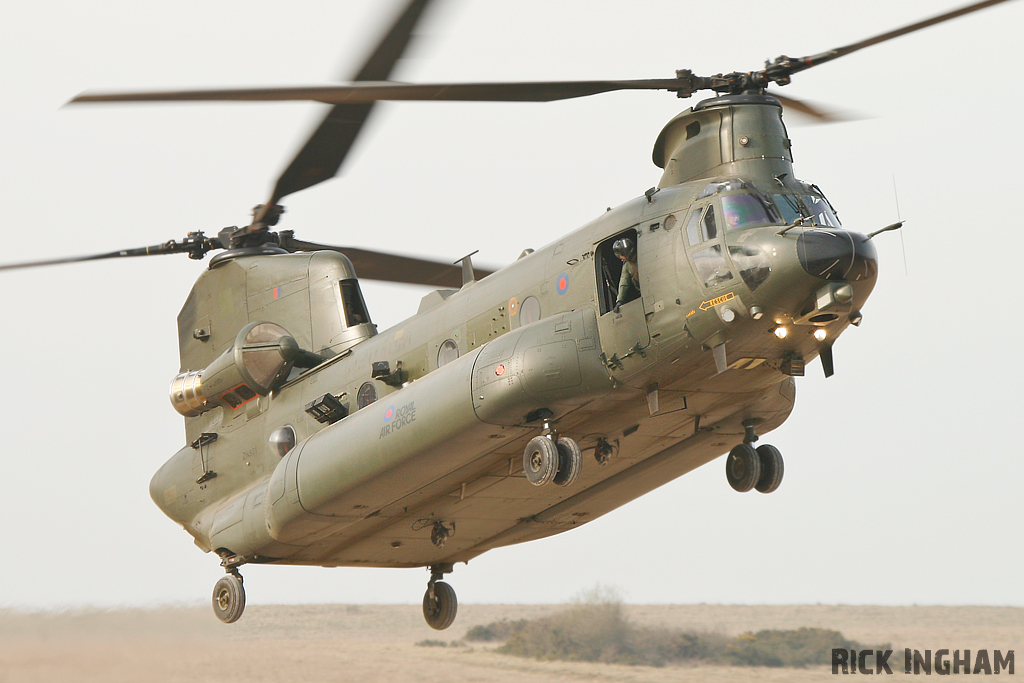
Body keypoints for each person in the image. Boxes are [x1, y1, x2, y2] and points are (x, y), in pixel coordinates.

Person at [613, 237, 639, 311]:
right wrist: (619, 301)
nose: (621, 258)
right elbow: (624, 282)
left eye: (622, 255)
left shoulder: (641, 256)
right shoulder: (627, 265)